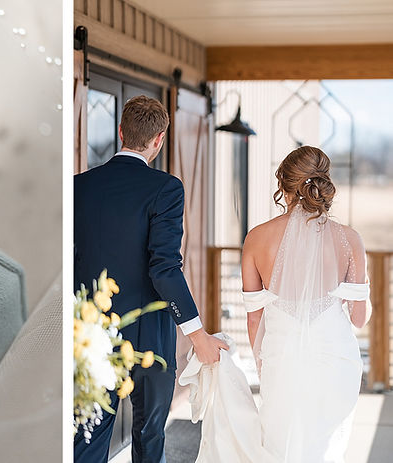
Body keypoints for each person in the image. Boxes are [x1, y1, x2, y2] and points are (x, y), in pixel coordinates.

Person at [73, 95, 227, 462]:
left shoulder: (78, 186)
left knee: (88, 438)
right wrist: (197, 334)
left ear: (121, 131)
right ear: (159, 139)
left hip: (90, 334)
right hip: (149, 336)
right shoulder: (166, 189)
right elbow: (164, 268)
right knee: (149, 436)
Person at [239, 145, 368, 461]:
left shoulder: (256, 238)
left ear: (283, 186)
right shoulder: (349, 239)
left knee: (280, 445)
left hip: (281, 357)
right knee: (325, 449)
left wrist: (261, 362)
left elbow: (254, 318)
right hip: (334, 360)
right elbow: (359, 318)